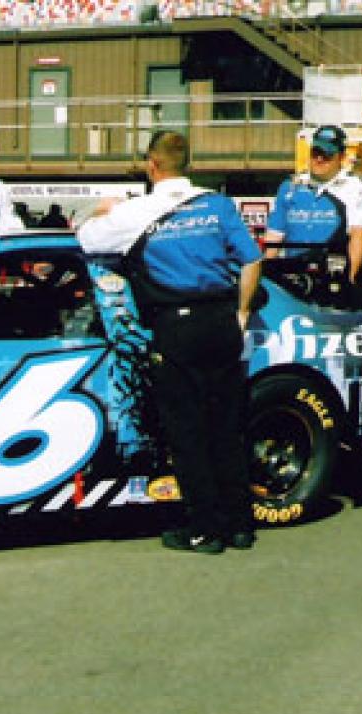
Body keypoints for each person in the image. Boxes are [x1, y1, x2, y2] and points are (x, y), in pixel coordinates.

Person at [77, 129, 262, 555]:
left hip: (176, 327)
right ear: (188, 164)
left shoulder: (137, 211)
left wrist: (100, 211)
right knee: (226, 427)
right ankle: (239, 526)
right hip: (222, 322)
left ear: (152, 165)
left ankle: (205, 530)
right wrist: (241, 312)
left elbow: (84, 238)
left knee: (188, 432)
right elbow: (252, 259)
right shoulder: (217, 204)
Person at [264, 124, 362, 304]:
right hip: (293, 277)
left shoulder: (358, 185)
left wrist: (349, 279)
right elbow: (274, 237)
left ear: (341, 157)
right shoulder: (291, 185)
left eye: (327, 154)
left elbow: (361, 234)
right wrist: (263, 275)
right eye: (315, 152)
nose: (319, 159)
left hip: (334, 275)